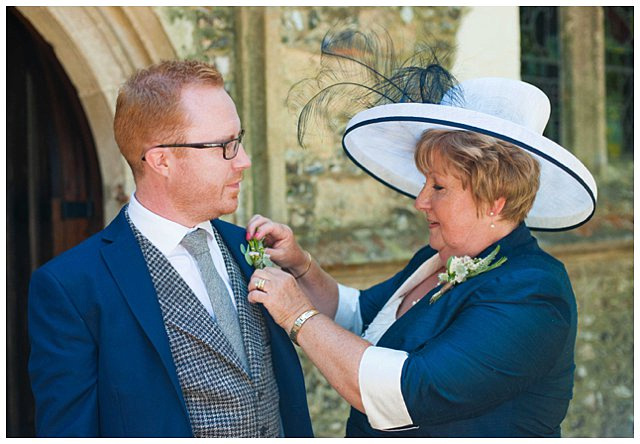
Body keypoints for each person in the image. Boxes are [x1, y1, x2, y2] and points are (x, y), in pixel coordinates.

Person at [244, 74, 597, 437]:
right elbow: (360, 317)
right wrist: (301, 266)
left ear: (495, 201)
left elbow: (409, 393)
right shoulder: (436, 258)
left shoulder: (533, 291)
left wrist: (297, 316)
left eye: (439, 187)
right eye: (424, 182)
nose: (420, 201)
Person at [28, 60, 313, 438]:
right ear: (161, 159)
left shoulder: (249, 246)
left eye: (238, 140)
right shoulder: (71, 287)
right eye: (224, 146)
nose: (243, 160)